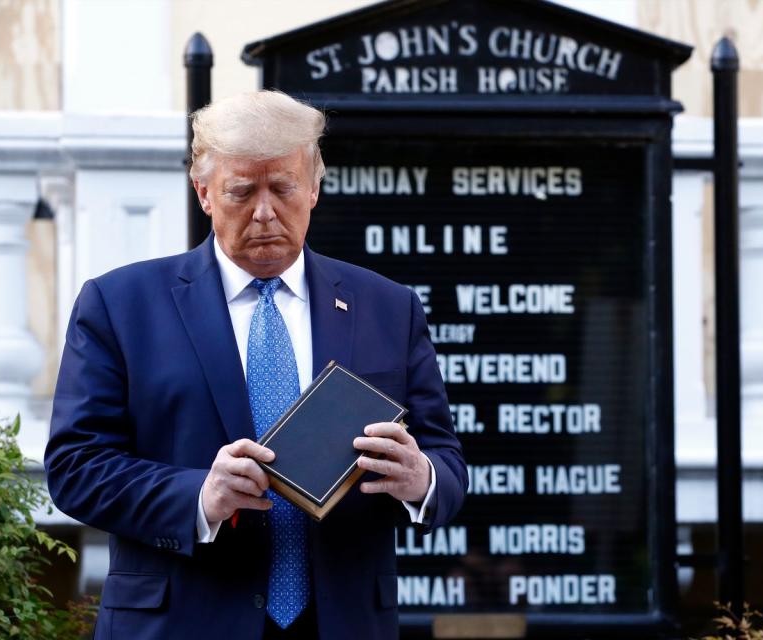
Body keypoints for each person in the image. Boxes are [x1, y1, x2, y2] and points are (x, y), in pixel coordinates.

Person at [44, 90, 467, 640]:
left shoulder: (388, 307)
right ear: (204, 193)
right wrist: (198, 496)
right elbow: (76, 467)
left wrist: (422, 479)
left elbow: (448, 464)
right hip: (181, 622)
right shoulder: (120, 305)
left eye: (284, 188)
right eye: (242, 191)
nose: (264, 212)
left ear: (314, 186)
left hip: (343, 622)